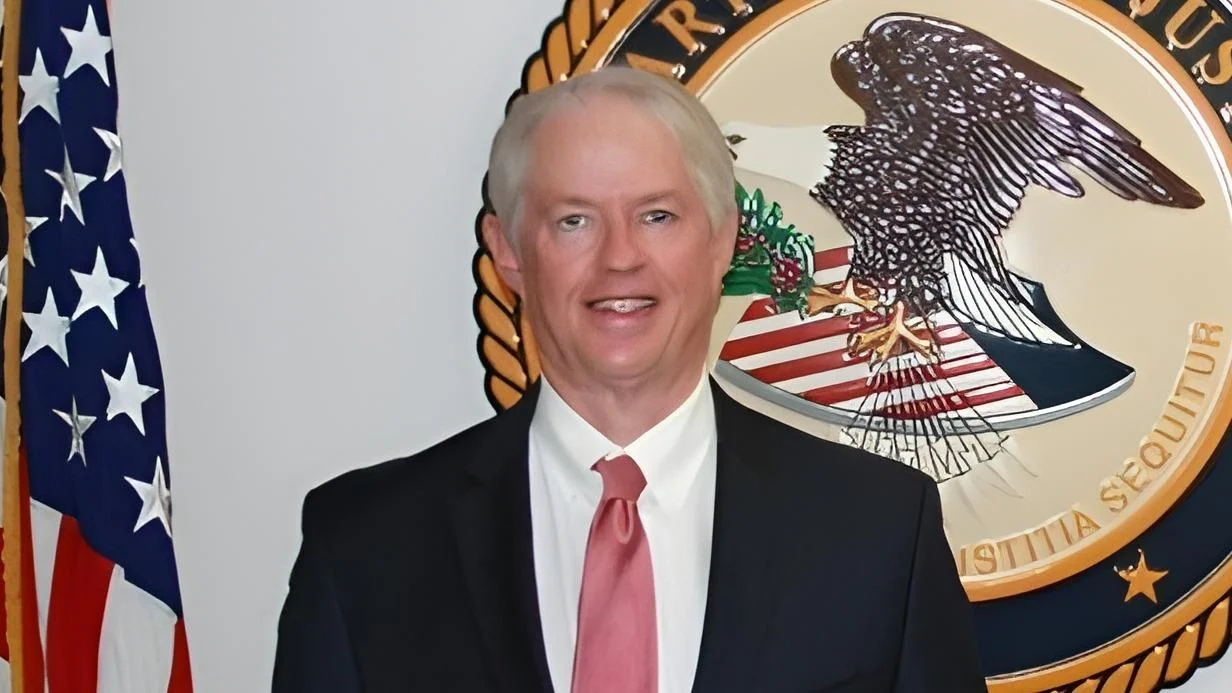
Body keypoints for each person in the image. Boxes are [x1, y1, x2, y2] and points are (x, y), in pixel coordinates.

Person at [271, 65, 987, 693]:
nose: (620, 258)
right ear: (508, 251)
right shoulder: (365, 544)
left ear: (722, 241)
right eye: (574, 221)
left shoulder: (881, 532)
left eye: (657, 216)